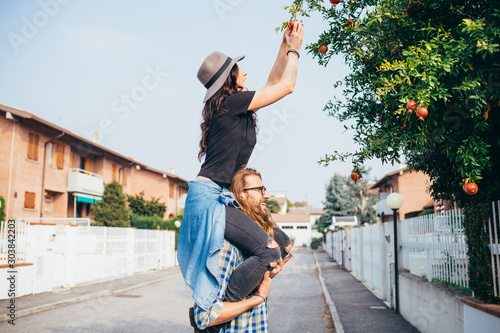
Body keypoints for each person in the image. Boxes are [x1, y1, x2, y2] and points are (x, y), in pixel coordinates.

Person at [178, 21, 303, 320]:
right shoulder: (231, 104)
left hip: (224, 195)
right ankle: (216, 318)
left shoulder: (237, 105)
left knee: (283, 246)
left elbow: (272, 83)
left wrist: (284, 45)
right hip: (210, 199)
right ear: (229, 79)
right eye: (239, 68)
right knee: (269, 251)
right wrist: (295, 51)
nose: (245, 72)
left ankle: (242, 296)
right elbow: (285, 86)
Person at [191, 167, 292, 333]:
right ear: (241, 195)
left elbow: (285, 245)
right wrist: (257, 299)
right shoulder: (226, 247)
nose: (266, 195)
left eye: (265, 189)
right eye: (260, 190)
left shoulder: (256, 247)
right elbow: (204, 317)